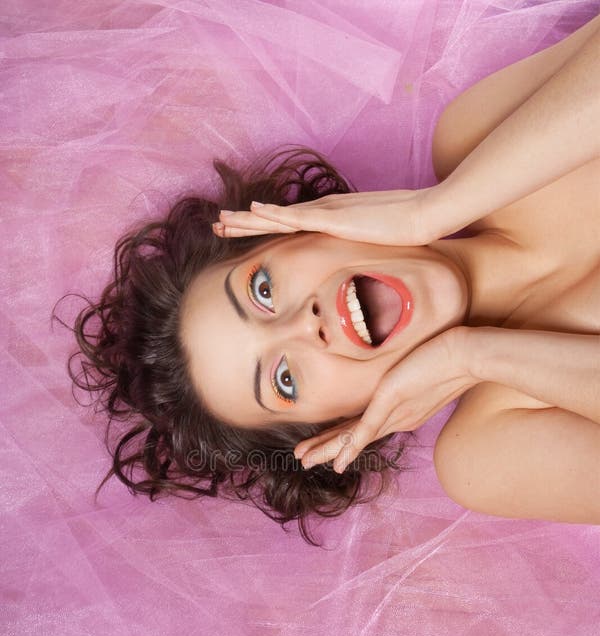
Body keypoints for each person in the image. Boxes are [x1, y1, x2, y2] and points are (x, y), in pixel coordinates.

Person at [67, 12, 600, 541]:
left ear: (301, 229)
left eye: (263, 289)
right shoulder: (488, 452)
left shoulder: (475, 139)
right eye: (284, 380)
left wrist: (433, 212)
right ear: (341, 427)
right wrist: (472, 353)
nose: (308, 324)